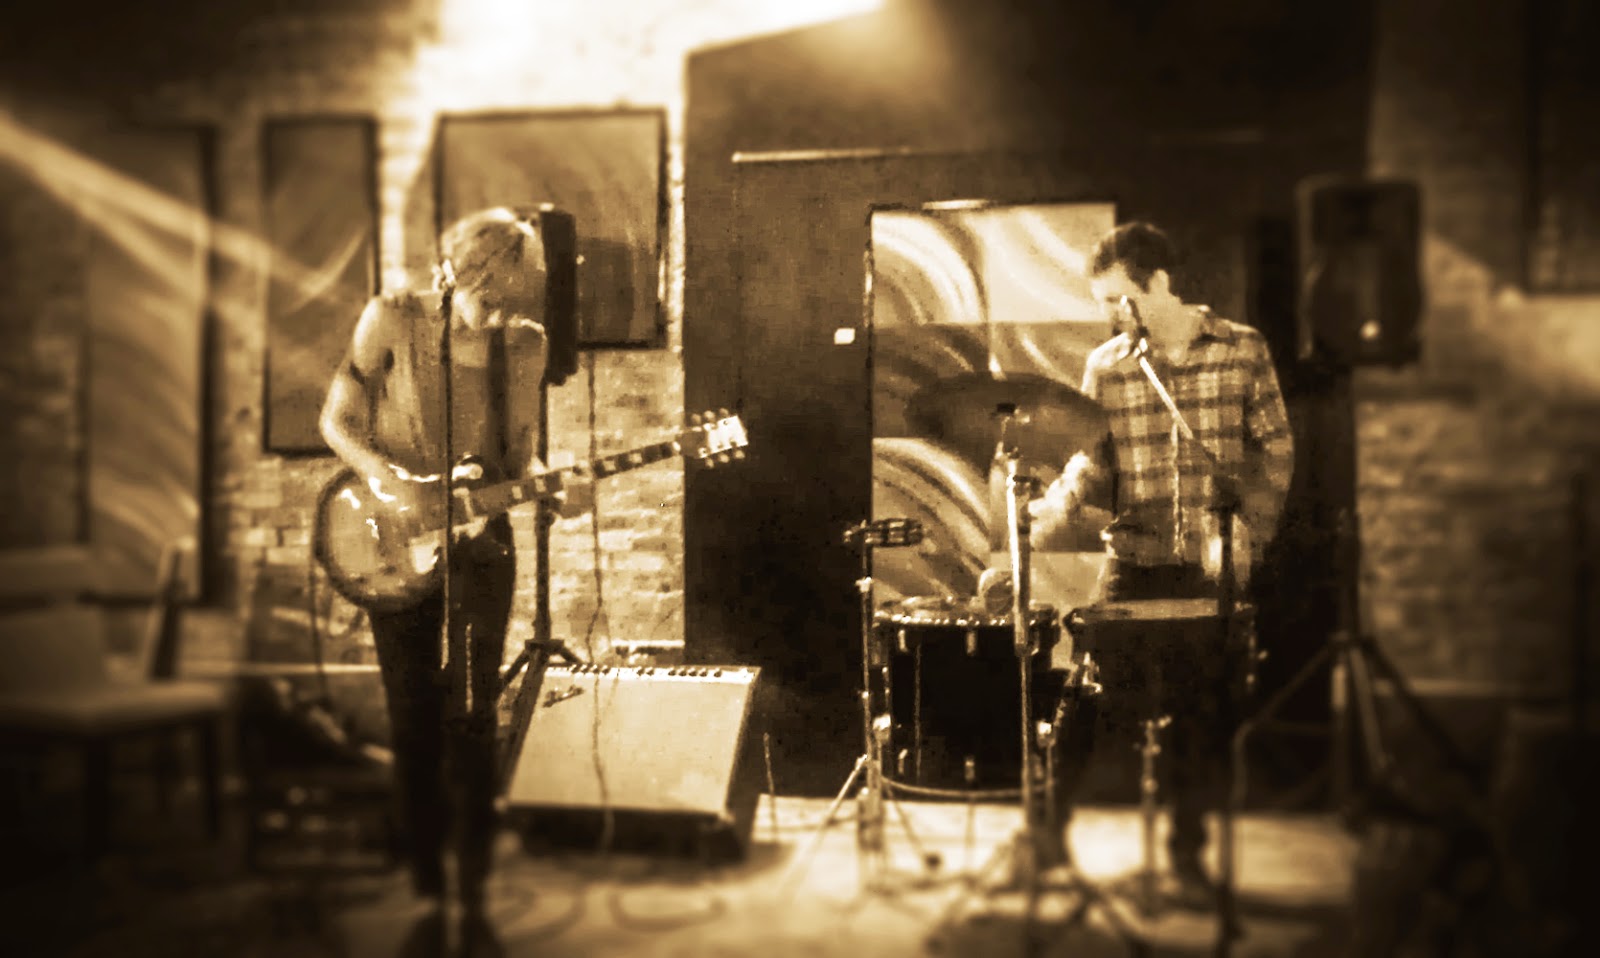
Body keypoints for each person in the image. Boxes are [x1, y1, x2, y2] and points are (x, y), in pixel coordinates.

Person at [319, 206, 589, 951]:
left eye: (511, 298)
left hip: (480, 543)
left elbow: (519, 456)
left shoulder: (526, 347)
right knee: (411, 715)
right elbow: (337, 420)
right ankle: (425, 888)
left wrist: (555, 488)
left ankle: (471, 890)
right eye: (487, 293)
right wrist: (389, 480)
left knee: (471, 715)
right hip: (392, 536)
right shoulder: (392, 318)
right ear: (456, 270)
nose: (498, 312)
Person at [1033, 221, 1294, 902]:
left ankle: (1187, 854)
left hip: (1211, 564)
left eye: (1116, 299)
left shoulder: (1242, 349)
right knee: (1084, 696)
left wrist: (1251, 532)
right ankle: (1045, 838)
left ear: (1159, 283)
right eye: (1102, 302)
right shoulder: (1108, 364)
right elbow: (1093, 459)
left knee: (1202, 715)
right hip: (1135, 557)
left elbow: (1275, 449)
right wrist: (1059, 502)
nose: (1109, 315)